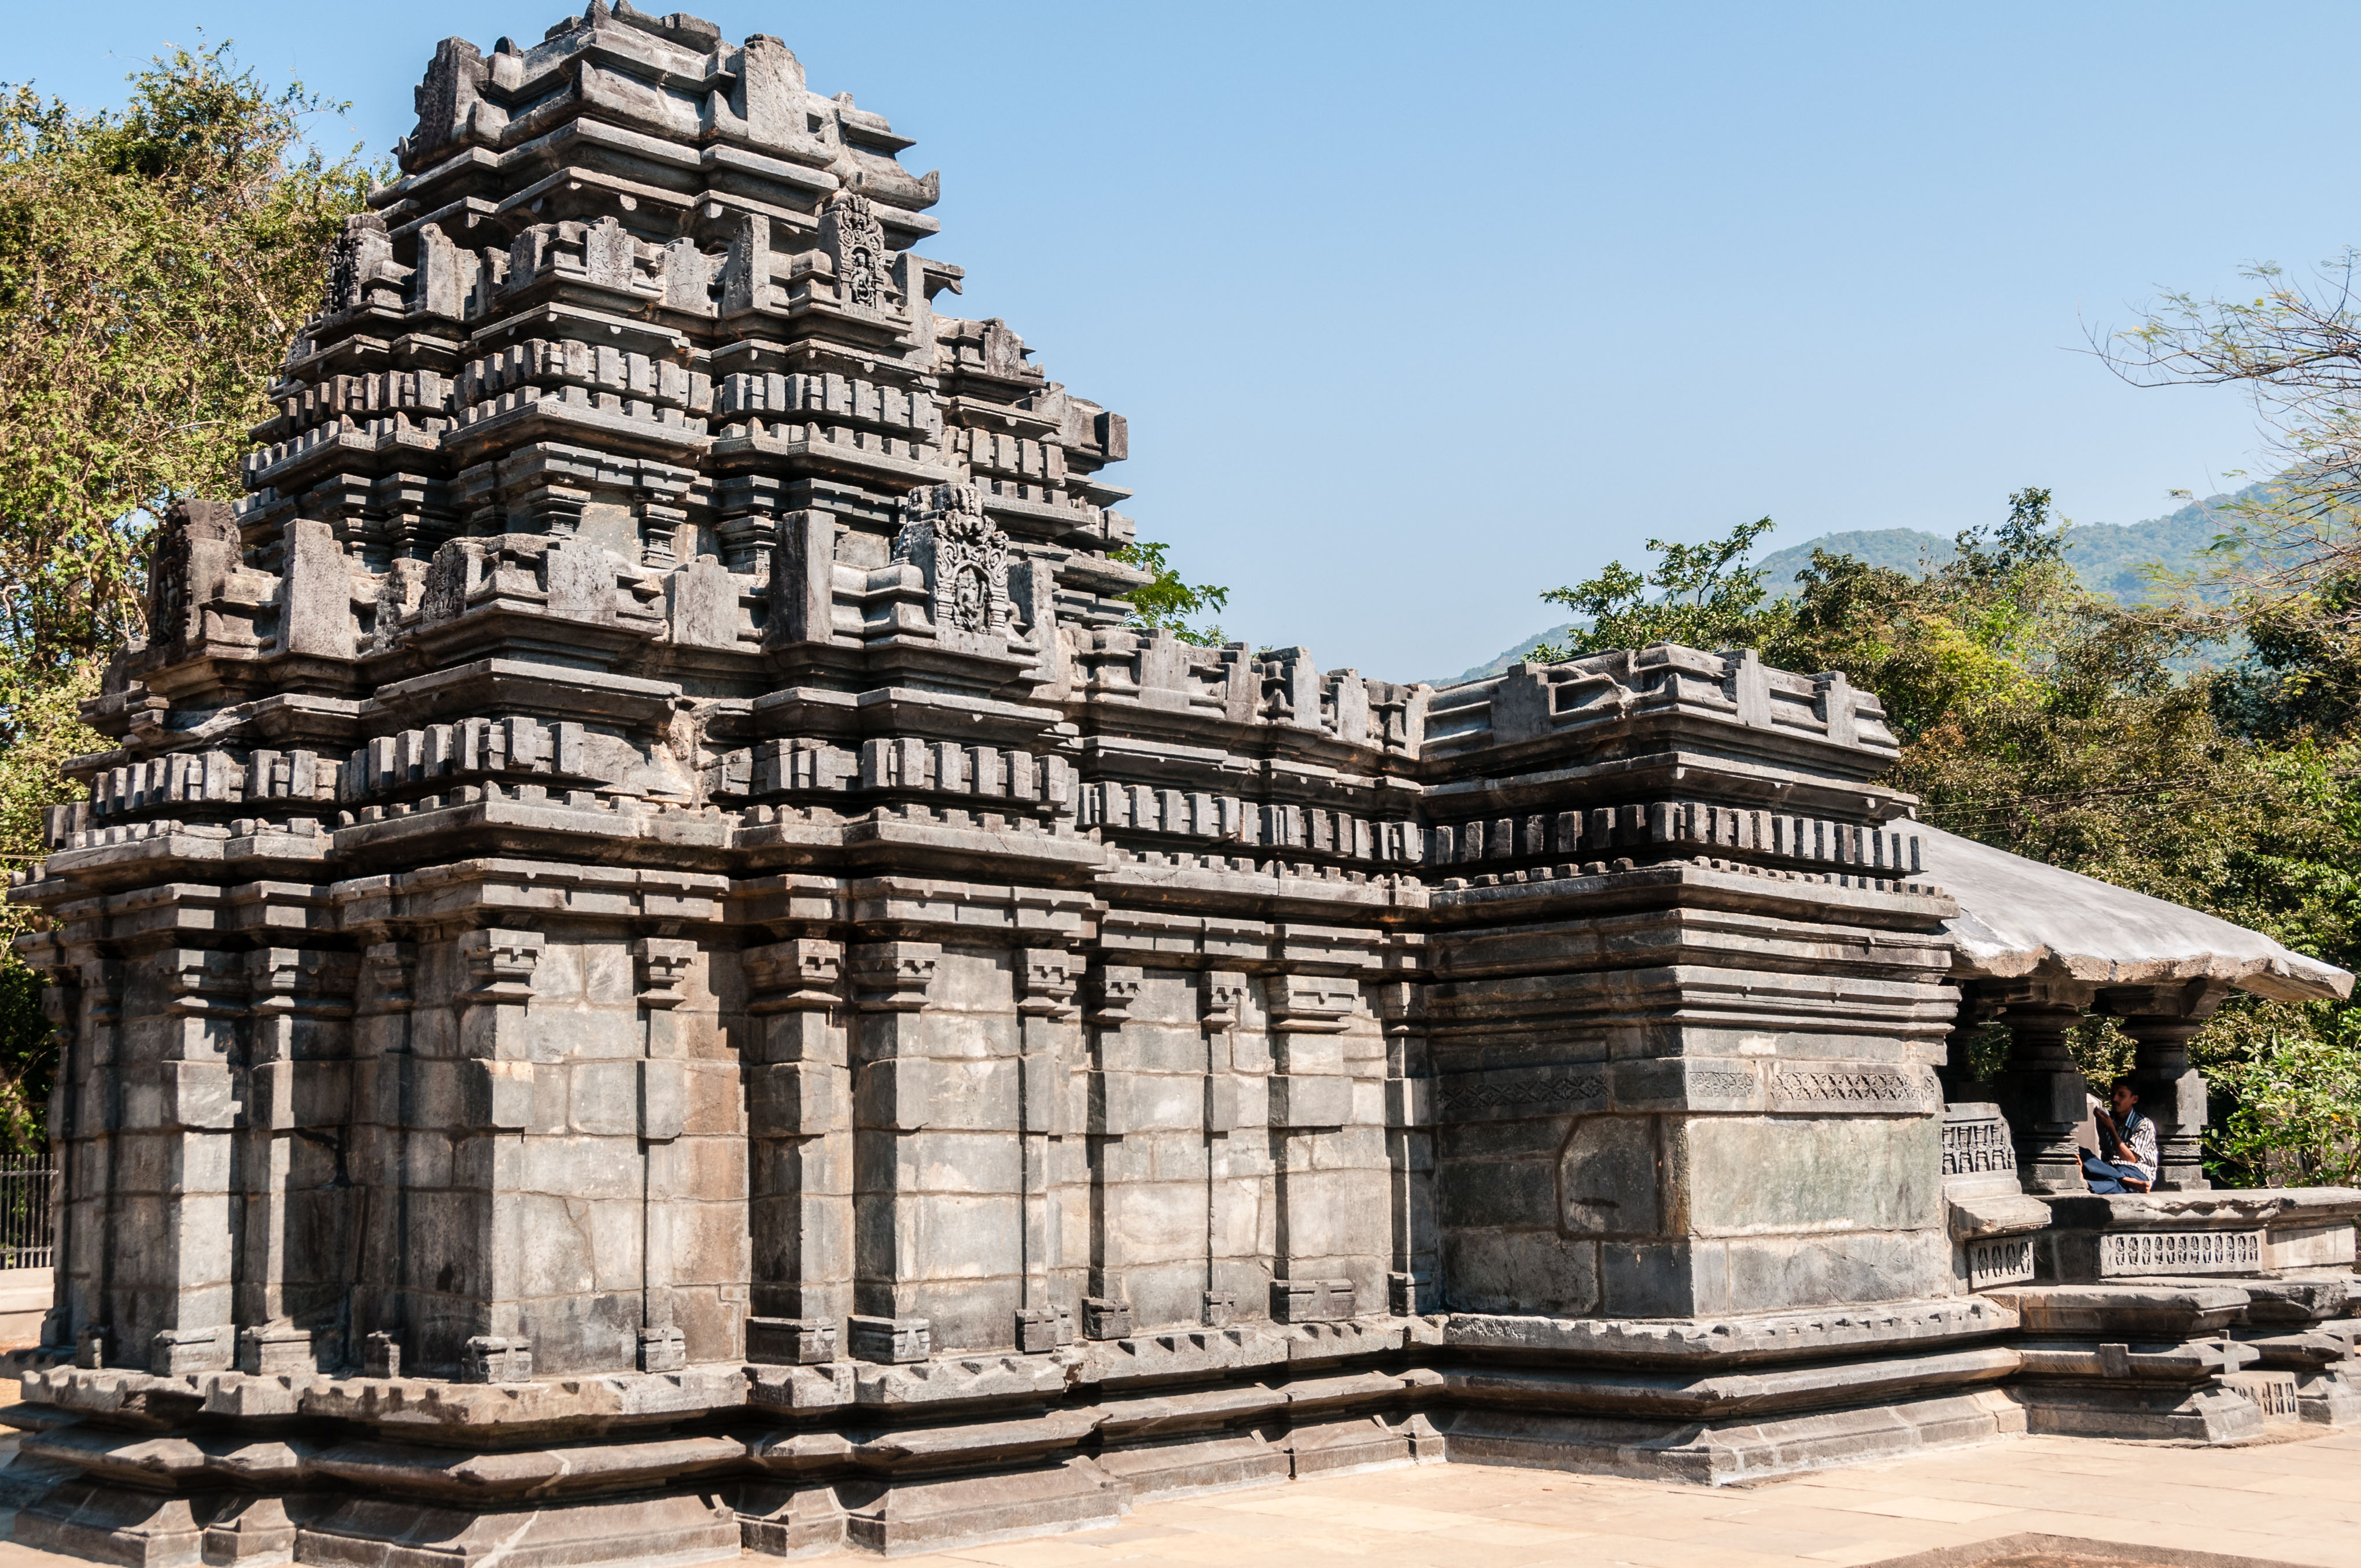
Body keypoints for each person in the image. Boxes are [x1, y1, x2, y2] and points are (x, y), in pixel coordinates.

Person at [2082, 1077, 2156, 1193]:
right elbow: (2106, 1154)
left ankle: (2089, 1184)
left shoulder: (2144, 1124)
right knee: (2078, 1152)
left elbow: (2130, 1159)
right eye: (2113, 1094)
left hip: (2135, 1170)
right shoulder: (2105, 1119)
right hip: (2109, 1168)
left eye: (2121, 1095)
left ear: (2134, 1099)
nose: (2115, 1098)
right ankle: (2126, 1181)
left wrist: (2111, 1129)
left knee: (2113, 1182)